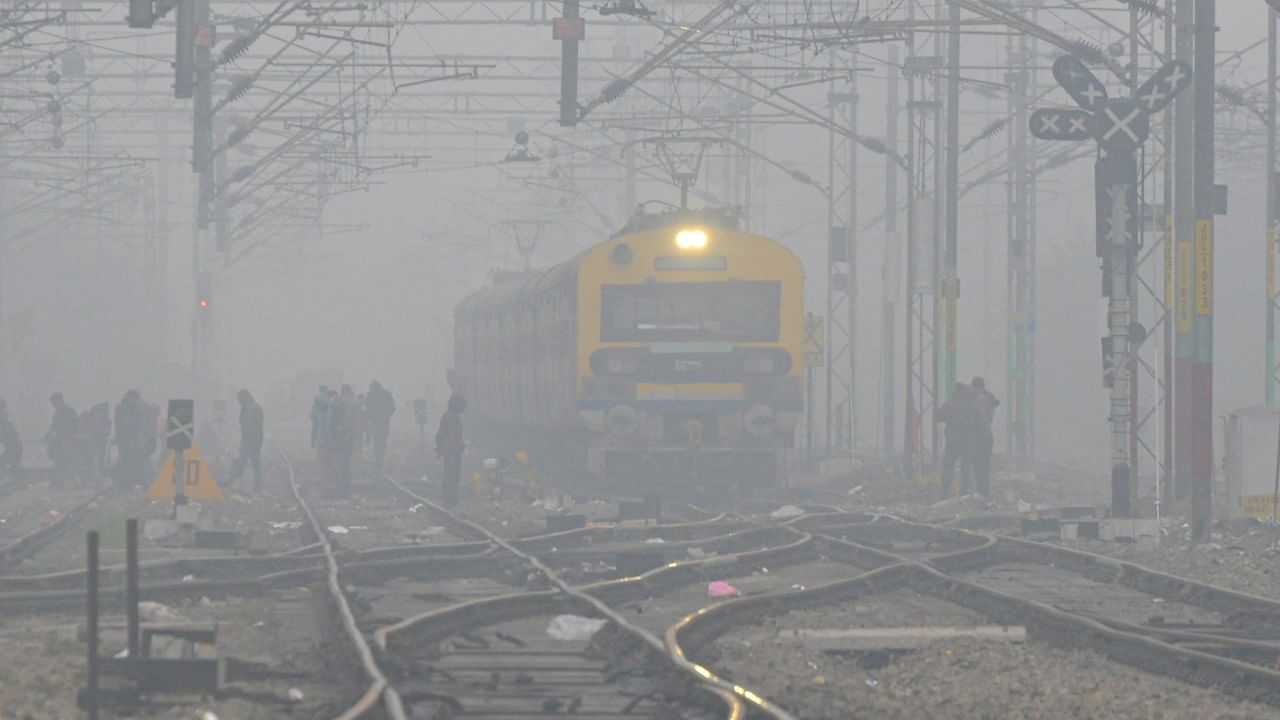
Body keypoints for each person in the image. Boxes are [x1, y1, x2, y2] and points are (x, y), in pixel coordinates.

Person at [937, 383, 979, 497]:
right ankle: (964, 492)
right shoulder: (971, 404)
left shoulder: (950, 404)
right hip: (967, 441)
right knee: (965, 468)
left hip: (952, 440)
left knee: (948, 467)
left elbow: (939, 417)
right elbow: (979, 422)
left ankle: (944, 492)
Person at [113, 390, 150, 488]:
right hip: (127, 439)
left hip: (126, 439)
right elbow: (127, 425)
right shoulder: (125, 409)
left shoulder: (124, 407)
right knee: (129, 462)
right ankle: (126, 484)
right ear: (131, 398)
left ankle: (126, 484)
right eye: (137, 398)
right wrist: (131, 438)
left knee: (127, 461)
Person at [971, 377, 1000, 499]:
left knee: (977, 463)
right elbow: (989, 416)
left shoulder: (974, 399)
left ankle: (979, 490)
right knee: (986, 464)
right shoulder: (989, 398)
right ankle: (985, 491)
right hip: (987, 435)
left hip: (976, 435)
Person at [435, 393, 466, 507]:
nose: (463, 408)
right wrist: (441, 448)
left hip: (453, 450)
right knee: (451, 476)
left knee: (451, 475)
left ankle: (450, 499)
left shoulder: (450, 416)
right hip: (452, 451)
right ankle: (450, 500)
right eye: (462, 405)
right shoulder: (451, 417)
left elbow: (441, 435)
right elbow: (443, 434)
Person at [230, 389, 265, 490]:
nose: (238, 401)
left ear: (243, 397)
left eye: (239, 398)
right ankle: (257, 486)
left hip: (250, 440)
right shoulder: (255, 406)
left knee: (242, 461)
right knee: (256, 463)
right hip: (257, 439)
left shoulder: (249, 408)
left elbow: (247, 426)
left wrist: (244, 441)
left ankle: (231, 481)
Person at [47, 393, 79, 489]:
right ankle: (59, 483)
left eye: (54, 403)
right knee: (59, 462)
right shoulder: (57, 413)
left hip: (68, 441)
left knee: (66, 463)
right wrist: (48, 435)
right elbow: (53, 426)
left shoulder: (69, 411)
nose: (53, 405)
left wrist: (63, 432)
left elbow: (74, 426)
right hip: (60, 442)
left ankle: (71, 483)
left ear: (59, 401)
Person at [365, 380, 396, 471]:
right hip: (384, 422)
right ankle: (380, 460)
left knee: (376, 441)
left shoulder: (370, 395)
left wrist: (370, 416)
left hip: (374, 422)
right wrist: (386, 416)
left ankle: (377, 460)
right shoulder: (386, 394)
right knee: (382, 442)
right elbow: (393, 407)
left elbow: (367, 407)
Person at [80, 403, 111, 483]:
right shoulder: (90, 418)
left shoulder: (106, 420)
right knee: (91, 461)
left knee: (99, 462)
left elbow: (107, 432)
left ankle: (97, 479)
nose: (102, 413)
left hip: (99, 443)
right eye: (100, 410)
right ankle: (92, 478)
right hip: (91, 443)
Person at [0, 401, 22, 484]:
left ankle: (8, 480)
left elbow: (12, 441)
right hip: (12, 450)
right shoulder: (6, 424)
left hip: (13, 450)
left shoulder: (6, 425)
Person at [309, 385, 329, 454]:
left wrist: (313, 416)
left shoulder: (317, 398)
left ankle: (313, 443)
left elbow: (313, 412)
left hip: (317, 418)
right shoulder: (324, 397)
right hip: (321, 419)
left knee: (315, 431)